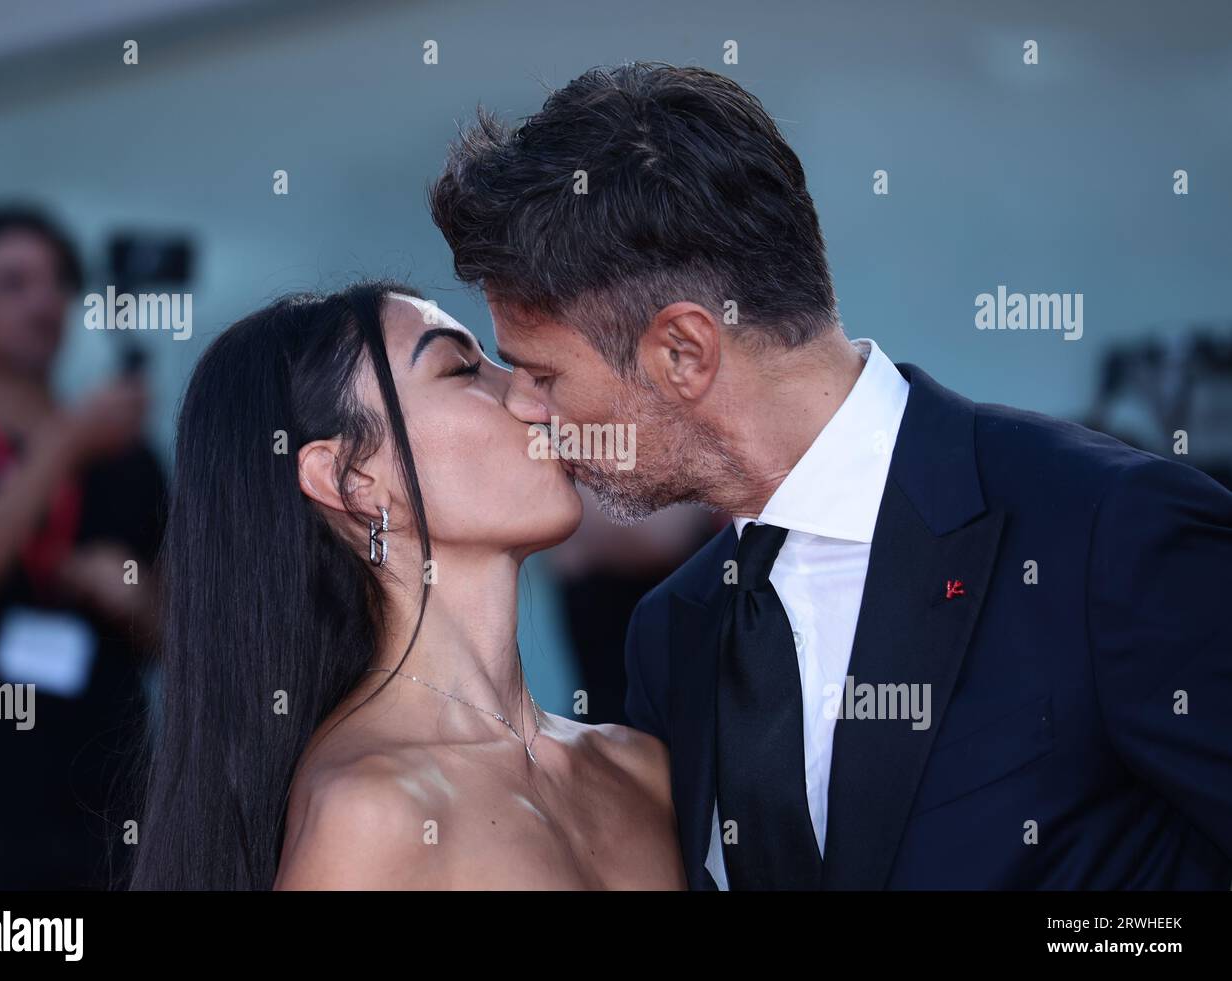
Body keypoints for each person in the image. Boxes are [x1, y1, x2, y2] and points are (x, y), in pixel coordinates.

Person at [427, 62, 1232, 889]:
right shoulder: (674, 633)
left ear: (684, 352)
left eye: (544, 375)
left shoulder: (1108, 531)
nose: (521, 407)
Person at [130, 283, 683, 890]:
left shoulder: (641, 766)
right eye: (462, 368)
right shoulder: (371, 810)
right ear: (351, 481)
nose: (529, 389)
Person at [0, 207, 165, 888]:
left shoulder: (130, 461)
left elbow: (181, 635)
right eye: (12, 283)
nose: (44, 302)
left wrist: (134, 596)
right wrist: (66, 440)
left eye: (57, 281)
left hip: (111, 810)